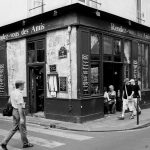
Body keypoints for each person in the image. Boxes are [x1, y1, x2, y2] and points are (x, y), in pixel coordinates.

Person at [1, 80, 33, 150]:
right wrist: (21, 118)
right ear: (20, 85)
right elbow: (19, 106)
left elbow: (9, 101)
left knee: (14, 128)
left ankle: (4, 142)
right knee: (23, 129)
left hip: (14, 111)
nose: (24, 87)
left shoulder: (13, 92)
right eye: (23, 85)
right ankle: (26, 144)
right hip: (18, 112)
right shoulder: (19, 94)